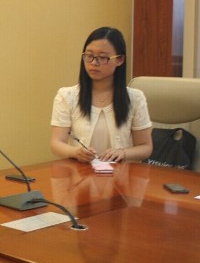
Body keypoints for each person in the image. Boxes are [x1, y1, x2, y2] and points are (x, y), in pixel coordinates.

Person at [50, 27, 153, 163]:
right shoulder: (66, 96)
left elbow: (145, 147)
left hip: (121, 173)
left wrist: (122, 153)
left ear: (120, 60)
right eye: (89, 56)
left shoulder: (135, 98)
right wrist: (76, 152)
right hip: (81, 172)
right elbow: (56, 143)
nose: (93, 63)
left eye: (102, 57)